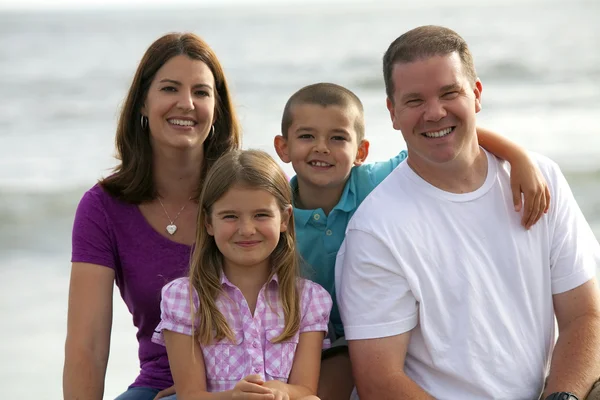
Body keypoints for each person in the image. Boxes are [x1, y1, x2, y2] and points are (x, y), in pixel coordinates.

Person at [335, 25, 600, 400]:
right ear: (392, 113)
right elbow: (379, 380)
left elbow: (584, 318)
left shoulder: (542, 181)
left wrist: (562, 397)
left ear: (476, 94)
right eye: (414, 101)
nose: (434, 112)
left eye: (449, 93)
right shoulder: (376, 230)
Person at [273, 82, 551, 400]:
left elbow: (452, 140)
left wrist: (518, 158)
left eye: (338, 138)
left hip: (364, 336)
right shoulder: (274, 212)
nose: (322, 148)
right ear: (283, 147)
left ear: (361, 152)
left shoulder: (377, 180)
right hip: (300, 335)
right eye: (307, 136)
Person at [63, 32, 242, 400]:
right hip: (160, 387)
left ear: (217, 107)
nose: (186, 104)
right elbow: (88, 346)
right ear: (142, 104)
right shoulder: (103, 208)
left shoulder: (246, 191)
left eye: (201, 92)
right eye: (170, 89)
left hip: (251, 380)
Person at [152, 149, 331, 400]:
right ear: (208, 223)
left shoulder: (309, 299)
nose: (247, 229)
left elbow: (305, 389)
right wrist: (234, 397)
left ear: (284, 218)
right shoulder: (184, 298)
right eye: (230, 216)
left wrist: (280, 391)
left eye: (261, 215)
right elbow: (190, 395)